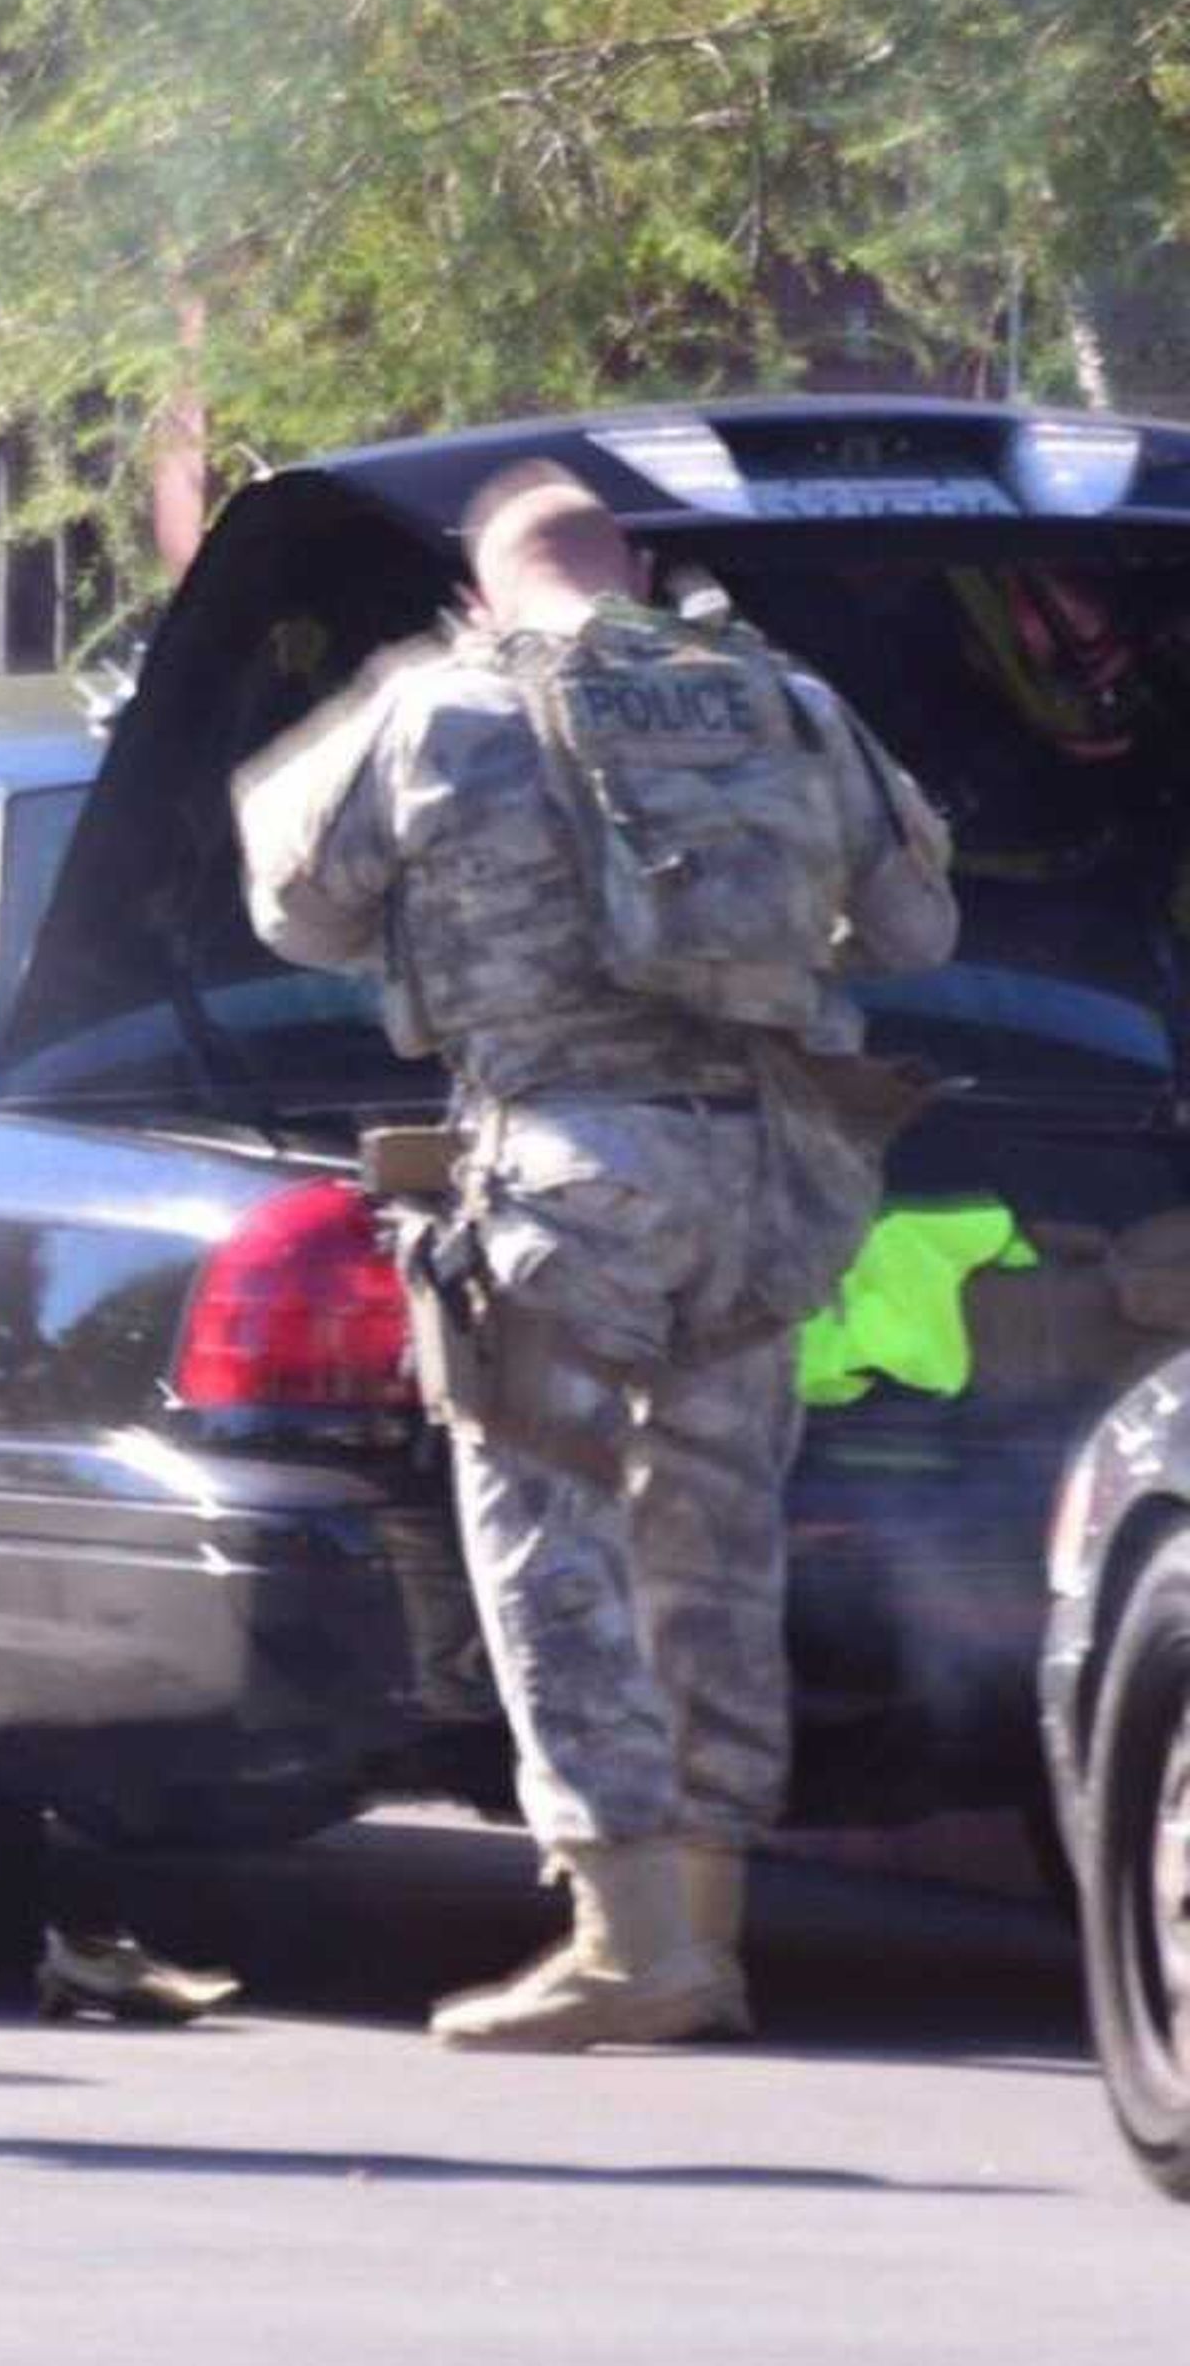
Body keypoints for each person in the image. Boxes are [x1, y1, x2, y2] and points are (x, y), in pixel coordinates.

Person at [233, 460, 957, 2051]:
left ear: (482, 590)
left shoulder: (442, 707)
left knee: (551, 1548)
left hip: (564, 1174)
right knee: (717, 1546)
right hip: (767, 1179)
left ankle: (626, 1943)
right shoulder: (794, 703)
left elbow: (294, 907)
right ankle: (711, 1926)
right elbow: (920, 936)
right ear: (633, 571)